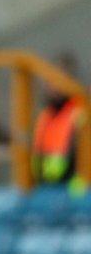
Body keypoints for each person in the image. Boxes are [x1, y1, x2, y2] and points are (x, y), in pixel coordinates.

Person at [33, 53, 87, 194]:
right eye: (50, 80)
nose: (53, 86)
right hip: (46, 190)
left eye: (59, 80)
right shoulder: (45, 116)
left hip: (76, 196)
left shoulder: (82, 112)